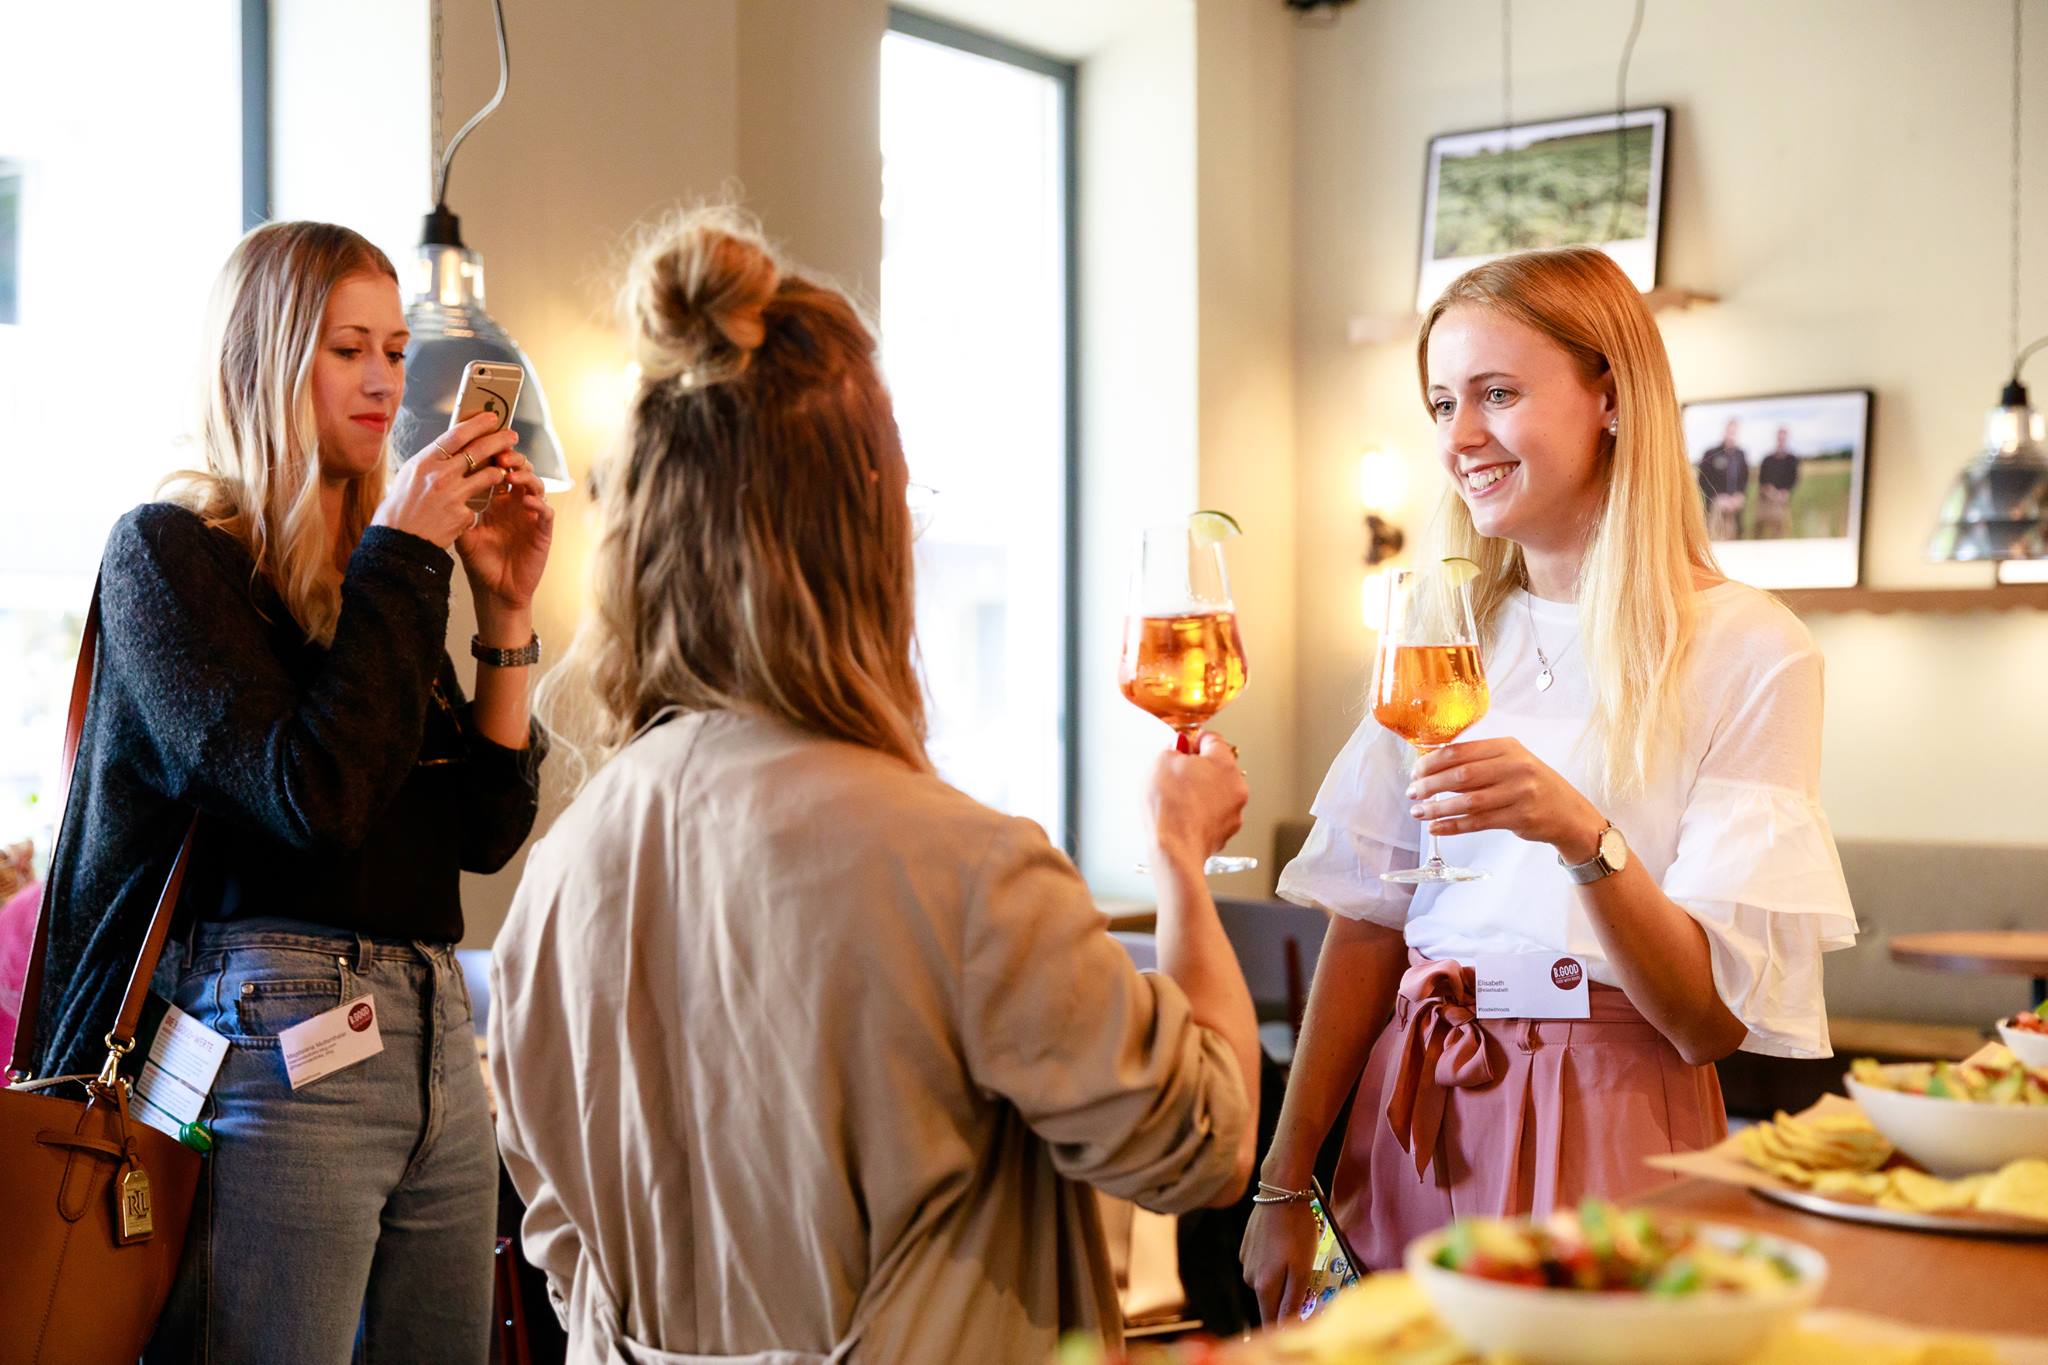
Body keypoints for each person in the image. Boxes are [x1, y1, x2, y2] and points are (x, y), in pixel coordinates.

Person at [490, 209, 1259, 1365]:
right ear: (859, 533)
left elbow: (556, 1229)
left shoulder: (560, 870)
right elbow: (1203, 1142)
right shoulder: (962, 866)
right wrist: (1180, 865)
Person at [1239, 246, 1855, 1320]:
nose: (1458, 436)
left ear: (1610, 397)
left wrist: (1583, 836)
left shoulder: (1752, 649)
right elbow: (1369, 924)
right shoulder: (1441, 634)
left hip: (1613, 1109)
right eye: (1442, 402)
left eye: (1496, 393)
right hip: (1417, 1102)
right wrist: (1283, 1182)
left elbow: (1705, 1024)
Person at [22, 221, 554, 1362]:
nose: (383, 381)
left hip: (433, 1029)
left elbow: (482, 828)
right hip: (273, 1037)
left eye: (396, 351)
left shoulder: (375, 576)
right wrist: (405, 558)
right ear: (263, 360)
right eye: (346, 349)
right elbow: (313, 794)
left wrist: (504, 614)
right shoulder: (172, 555)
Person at [1696, 417, 1749, 539]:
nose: (1731, 436)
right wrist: (1717, 497)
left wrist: (1739, 495)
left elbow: (1744, 479)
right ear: (1724, 432)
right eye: (1729, 432)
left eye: (1734, 433)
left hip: (1735, 506)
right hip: (1716, 506)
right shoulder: (1711, 454)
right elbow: (1703, 480)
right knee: (1716, 538)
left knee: (1736, 537)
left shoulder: (1741, 455)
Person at [1754, 426, 1801, 538]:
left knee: (1779, 530)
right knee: (1759, 530)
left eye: (1783, 438)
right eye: (1780, 438)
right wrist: (1771, 492)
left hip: (1782, 501)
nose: (1781, 441)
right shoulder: (1767, 459)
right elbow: (1762, 481)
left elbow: (1794, 479)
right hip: (1766, 500)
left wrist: (1786, 492)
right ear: (1776, 438)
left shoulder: (1792, 459)